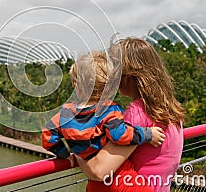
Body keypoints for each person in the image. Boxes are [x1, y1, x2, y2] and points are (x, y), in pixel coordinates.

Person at [42, 51, 166, 192]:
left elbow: (48, 135)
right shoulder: (109, 111)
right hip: (122, 181)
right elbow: (120, 135)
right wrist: (147, 134)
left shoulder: (64, 114)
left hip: (95, 186)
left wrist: (64, 153)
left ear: (76, 85)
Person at [76, 38, 185, 192]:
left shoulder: (137, 113)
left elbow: (99, 170)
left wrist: (76, 150)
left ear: (127, 75)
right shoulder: (172, 110)